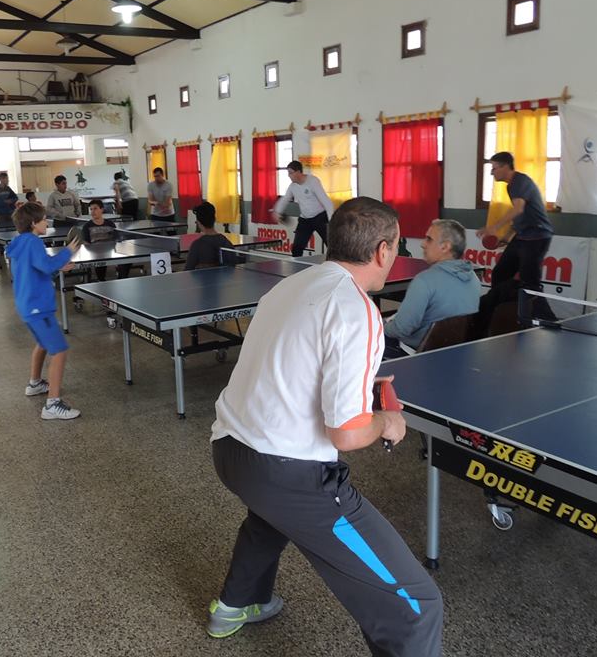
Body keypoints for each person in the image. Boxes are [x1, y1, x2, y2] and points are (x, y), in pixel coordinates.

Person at [207, 197, 443, 655]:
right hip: (288, 473)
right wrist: (386, 421)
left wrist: (359, 388)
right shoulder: (359, 310)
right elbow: (348, 435)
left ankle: (236, 605)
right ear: (382, 250)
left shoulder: (289, 287)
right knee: (416, 606)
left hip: (230, 450)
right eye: (397, 245)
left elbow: (291, 364)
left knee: (270, 516)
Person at [5, 202, 82, 420]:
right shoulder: (33, 242)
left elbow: (37, 269)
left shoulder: (19, 242)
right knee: (59, 350)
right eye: (43, 219)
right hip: (38, 306)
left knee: (42, 343)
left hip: (26, 305)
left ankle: (35, 383)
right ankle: (52, 405)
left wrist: (58, 266)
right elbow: (46, 266)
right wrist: (68, 252)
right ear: (33, 223)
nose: (46, 222)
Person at [474, 152, 554, 332]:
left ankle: (547, 320)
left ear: (505, 166)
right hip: (523, 236)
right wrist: (507, 236)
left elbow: (518, 209)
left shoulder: (520, 181)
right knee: (500, 273)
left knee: (529, 284)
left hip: (537, 236)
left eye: (494, 168)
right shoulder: (511, 186)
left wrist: (493, 228)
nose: (492, 173)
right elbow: (520, 216)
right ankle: (499, 312)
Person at [383, 219, 481, 358]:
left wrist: (381, 326)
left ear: (445, 247)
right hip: (458, 353)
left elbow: (401, 329)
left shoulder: (424, 281)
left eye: (429, 239)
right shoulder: (474, 279)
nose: (423, 244)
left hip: (417, 354)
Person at [273, 160, 334, 257]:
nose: (289, 176)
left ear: (298, 172)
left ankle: (336, 264)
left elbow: (327, 202)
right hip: (305, 220)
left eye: (290, 173)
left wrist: (331, 222)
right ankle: (296, 266)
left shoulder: (313, 181)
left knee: (332, 246)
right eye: (288, 173)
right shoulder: (292, 186)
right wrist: (277, 211)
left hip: (320, 218)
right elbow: (285, 199)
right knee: (296, 249)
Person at [81, 198, 129, 280]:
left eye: (95, 209)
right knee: (100, 263)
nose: (92, 212)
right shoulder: (87, 226)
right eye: (91, 209)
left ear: (102, 209)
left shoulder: (110, 224)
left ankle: (122, 278)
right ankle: (101, 280)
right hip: (96, 253)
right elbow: (86, 243)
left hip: (110, 251)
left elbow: (116, 238)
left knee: (127, 260)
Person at [185, 201, 233, 271]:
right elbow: (232, 267)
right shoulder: (226, 242)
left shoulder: (197, 245)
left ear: (198, 223)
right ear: (214, 219)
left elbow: (188, 270)